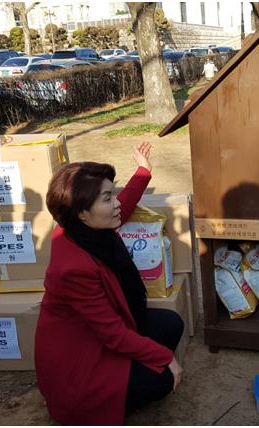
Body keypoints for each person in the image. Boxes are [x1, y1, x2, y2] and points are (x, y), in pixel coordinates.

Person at [35, 142, 184, 425]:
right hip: (81, 362)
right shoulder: (73, 267)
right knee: (163, 378)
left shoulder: (84, 227)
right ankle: (99, 407)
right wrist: (165, 357)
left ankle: (131, 375)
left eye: (112, 193)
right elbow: (113, 334)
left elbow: (123, 206)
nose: (116, 203)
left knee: (170, 324)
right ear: (82, 212)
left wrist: (144, 171)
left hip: (100, 332)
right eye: (106, 198)